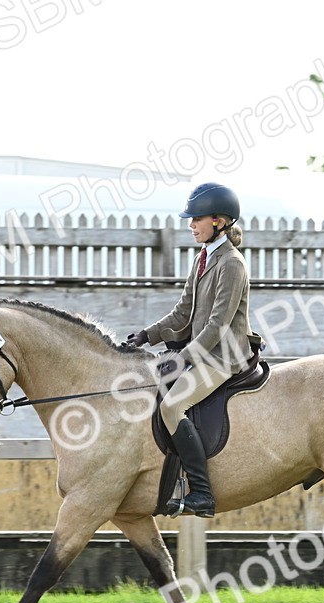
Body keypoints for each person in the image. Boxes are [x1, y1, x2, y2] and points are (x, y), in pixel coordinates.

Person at [126, 182, 253, 518]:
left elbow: (217, 325)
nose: (191, 225)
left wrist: (182, 359)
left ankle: (202, 493)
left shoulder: (232, 264)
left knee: (172, 407)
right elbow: (183, 311)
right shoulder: (202, 259)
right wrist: (147, 335)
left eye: (197, 219)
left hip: (222, 358)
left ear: (219, 222)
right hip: (201, 351)